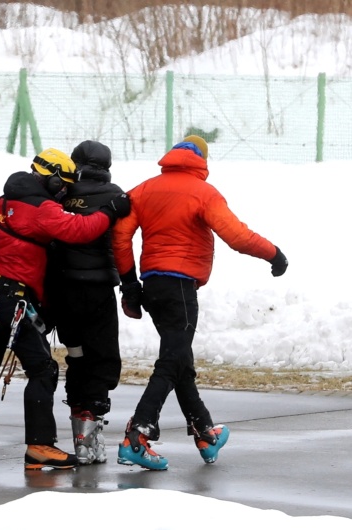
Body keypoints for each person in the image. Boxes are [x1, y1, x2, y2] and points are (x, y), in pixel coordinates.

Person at [0, 148, 131, 470]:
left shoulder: (1, 201)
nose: (65, 191)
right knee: (44, 370)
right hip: (14, 301)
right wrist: (110, 210)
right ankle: (39, 446)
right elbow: (80, 230)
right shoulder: (42, 208)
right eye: (62, 184)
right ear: (51, 178)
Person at [112, 135, 288, 471]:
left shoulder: (144, 189)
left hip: (153, 286)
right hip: (180, 288)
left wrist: (130, 285)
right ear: (202, 160)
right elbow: (236, 236)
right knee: (171, 361)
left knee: (180, 361)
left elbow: (120, 236)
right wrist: (274, 255)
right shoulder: (203, 192)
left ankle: (205, 433)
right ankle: (137, 435)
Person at [44, 140, 124, 465]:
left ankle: (79, 422)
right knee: (102, 357)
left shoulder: (61, 193)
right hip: (99, 290)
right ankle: (92, 428)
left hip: (64, 290)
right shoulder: (116, 196)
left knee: (76, 354)